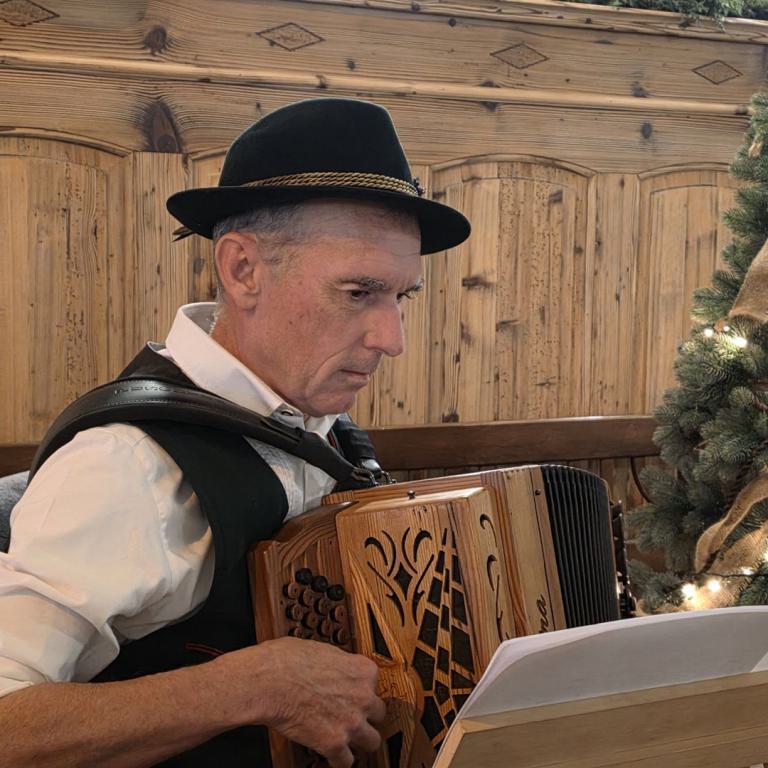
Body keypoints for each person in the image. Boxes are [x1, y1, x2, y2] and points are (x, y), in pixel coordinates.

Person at [0, 98, 471, 767]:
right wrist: (248, 688)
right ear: (243, 269)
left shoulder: (318, 426)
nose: (390, 338)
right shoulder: (127, 464)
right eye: (358, 293)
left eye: (402, 297)